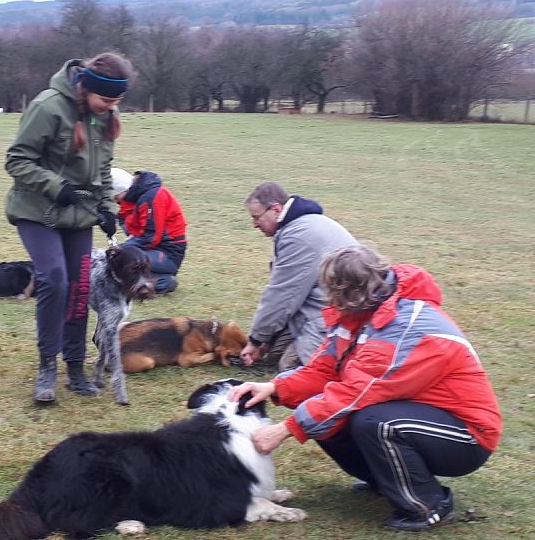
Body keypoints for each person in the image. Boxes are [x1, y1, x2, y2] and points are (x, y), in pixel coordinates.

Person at [229, 245, 502, 532]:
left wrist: (285, 429)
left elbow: (355, 393)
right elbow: (324, 369)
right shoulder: (360, 316)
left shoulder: (404, 326)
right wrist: (274, 386)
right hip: (418, 415)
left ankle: (428, 504)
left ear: (351, 292)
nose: (327, 299)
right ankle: (386, 481)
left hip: (467, 435)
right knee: (323, 411)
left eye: (331, 292)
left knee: (373, 422)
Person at [5, 52, 133, 403]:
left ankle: (75, 366)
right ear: (85, 90)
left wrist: (108, 209)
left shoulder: (106, 114)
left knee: (79, 286)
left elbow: (105, 171)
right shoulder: (47, 107)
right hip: (37, 210)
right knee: (55, 280)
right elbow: (16, 160)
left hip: (78, 214)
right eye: (106, 100)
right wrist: (52, 185)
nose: (111, 107)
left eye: (117, 101)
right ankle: (47, 365)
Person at [240, 182, 357, 370]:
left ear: (276, 209)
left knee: (290, 368)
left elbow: (282, 295)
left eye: (256, 217)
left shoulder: (299, 237)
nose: (254, 224)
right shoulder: (303, 224)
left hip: (339, 316)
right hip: (332, 306)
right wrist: (266, 341)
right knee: (275, 353)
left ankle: (348, 359)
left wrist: (256, 340)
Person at [111, 168, 187, 295]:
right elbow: (133, 229)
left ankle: (158, 283)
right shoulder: (139, 197)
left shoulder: (152, 198)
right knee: (124, 259)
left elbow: (150, 238)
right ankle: (161, 281)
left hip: (168, 253)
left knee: (126, 260)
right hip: (155, 249)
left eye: (115, 197)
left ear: (121, 190)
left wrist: (120, 249)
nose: (116, 201)